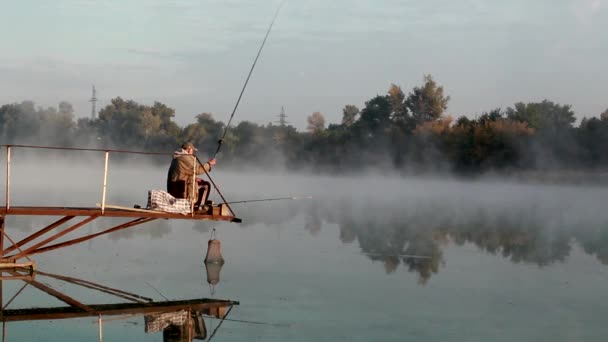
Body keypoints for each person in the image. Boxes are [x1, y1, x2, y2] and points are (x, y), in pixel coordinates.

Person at [167, 142, 216, 212]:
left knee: (201, 182)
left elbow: (183, 173)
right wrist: (209, 164)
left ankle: (197, 203)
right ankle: (198, 207)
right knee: (206, 185)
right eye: (192, 150)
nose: (193, 152)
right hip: (182, 189)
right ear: (188, 149)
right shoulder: (184, 157)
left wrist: (194, 178)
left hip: (177, 187)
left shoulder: (177, 157)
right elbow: (197, 170)